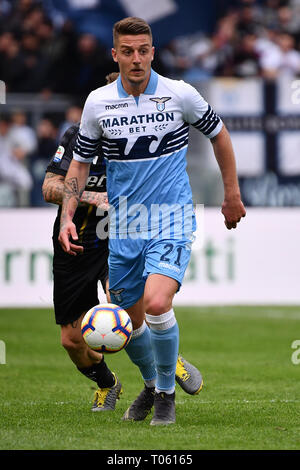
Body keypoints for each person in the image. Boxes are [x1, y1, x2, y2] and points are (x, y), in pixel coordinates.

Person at [58, 17, 246, 426]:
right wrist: (67, 218)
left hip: (171, 217)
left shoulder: (180, 94)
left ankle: (165, 396)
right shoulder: (98, 102)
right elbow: (79, 164)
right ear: (115, 55)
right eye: (127, 51)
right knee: (130, 321)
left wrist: (231, 194)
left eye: (143, 50)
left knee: (159, 303)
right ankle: (150, 382)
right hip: (123, 226)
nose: (136, 59)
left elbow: (219, 134)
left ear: (153, 52)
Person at [43, 72, 203, 414]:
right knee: (71, 340)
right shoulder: (78, 137)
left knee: (131, 314)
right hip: (77, 244)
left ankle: (163, 372)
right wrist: (93, 197)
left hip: (120, 236)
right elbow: (49, 187)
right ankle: (108, 383)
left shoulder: (145, 140)